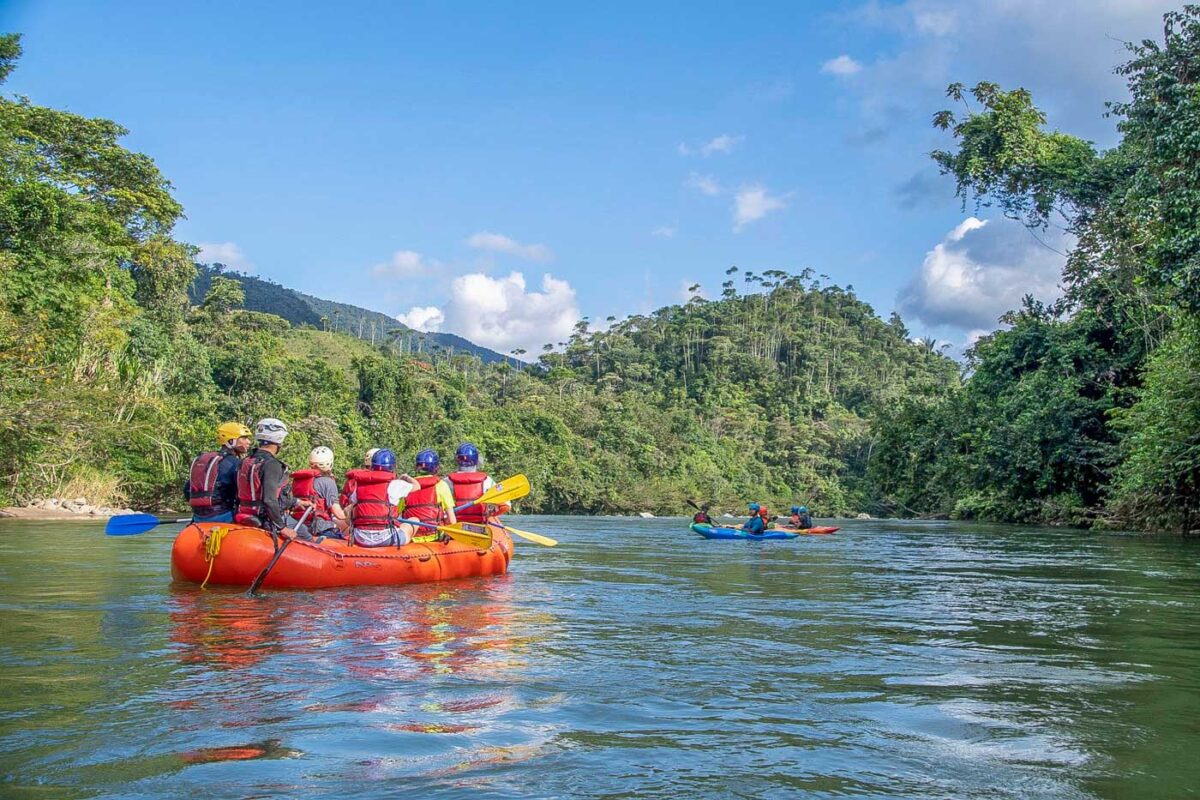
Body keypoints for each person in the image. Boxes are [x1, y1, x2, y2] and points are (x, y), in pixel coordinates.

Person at [235, 418, 300, 540]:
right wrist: (282, 527)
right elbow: (269, 500)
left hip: (243, 515)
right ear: (279, 440)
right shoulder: (272, 464)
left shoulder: (246, 461)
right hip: (265, 520)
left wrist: (297, 502)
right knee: (305, 534)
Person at [344, 448, 420, 547]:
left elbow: (352, 505)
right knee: (415, 520)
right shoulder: (395, 484)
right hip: (387, 538)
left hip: (360, 538)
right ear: (392, 467)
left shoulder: (360, 484)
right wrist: (406, 477)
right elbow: (417, 486)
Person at [184, 422, 252, 523]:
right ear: (231, 441)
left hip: (198, 517)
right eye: (244, 438)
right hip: (224, 516)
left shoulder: (207, 460)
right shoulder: (235, 463)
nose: (248, 442)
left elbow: (186, 489)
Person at [395, 449, 457, 541]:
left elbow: (395, 515)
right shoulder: (441, 485)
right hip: (436, 537)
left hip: (413, 538)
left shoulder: (408, 487)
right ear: (436, 468)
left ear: (416, 467)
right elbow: (452, 520)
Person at [289, 446, 347, 540]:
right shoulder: (328, 482)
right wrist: (352, 514)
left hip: (297, 525)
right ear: (330, 463)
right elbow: (338, 514)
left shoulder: (298, 481)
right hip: (319, 528)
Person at [444, 442, 508, 525]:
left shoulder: (447, 481)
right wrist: (491, 514)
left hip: (456, 524)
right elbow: (506, 505)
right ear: (477, 459)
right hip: (480, 523)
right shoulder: (487, 481)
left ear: (457, 460)